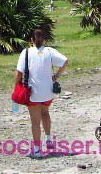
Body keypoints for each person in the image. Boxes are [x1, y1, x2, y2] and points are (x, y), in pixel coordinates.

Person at [15, 29, 68, 158]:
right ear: (44, 39)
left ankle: (37, 150)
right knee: (45, 113)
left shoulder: (26, 52)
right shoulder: (49, 51)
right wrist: (55, 76)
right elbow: (65, 61)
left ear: (31, 40)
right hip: (48, 91)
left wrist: (16, 87)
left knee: (35, 121)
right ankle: (49, 138)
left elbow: (19, 73)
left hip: (33, 93)